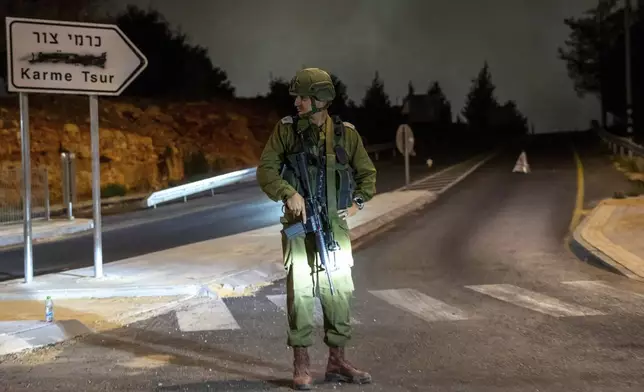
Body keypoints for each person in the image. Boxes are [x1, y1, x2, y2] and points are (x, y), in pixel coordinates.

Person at [256, 67, 377, 390]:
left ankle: (338, 360)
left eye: (303, 97)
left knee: (338, 290)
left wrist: (357, 202)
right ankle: (302, 364)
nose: (297, 102)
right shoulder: (286, 131)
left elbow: (367, 173)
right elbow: (266, 169)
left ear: (321, 99)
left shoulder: (345, 134)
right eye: (297, 97)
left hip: (333, 226)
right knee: (301, 290)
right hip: (299, 225)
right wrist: (288, 192)